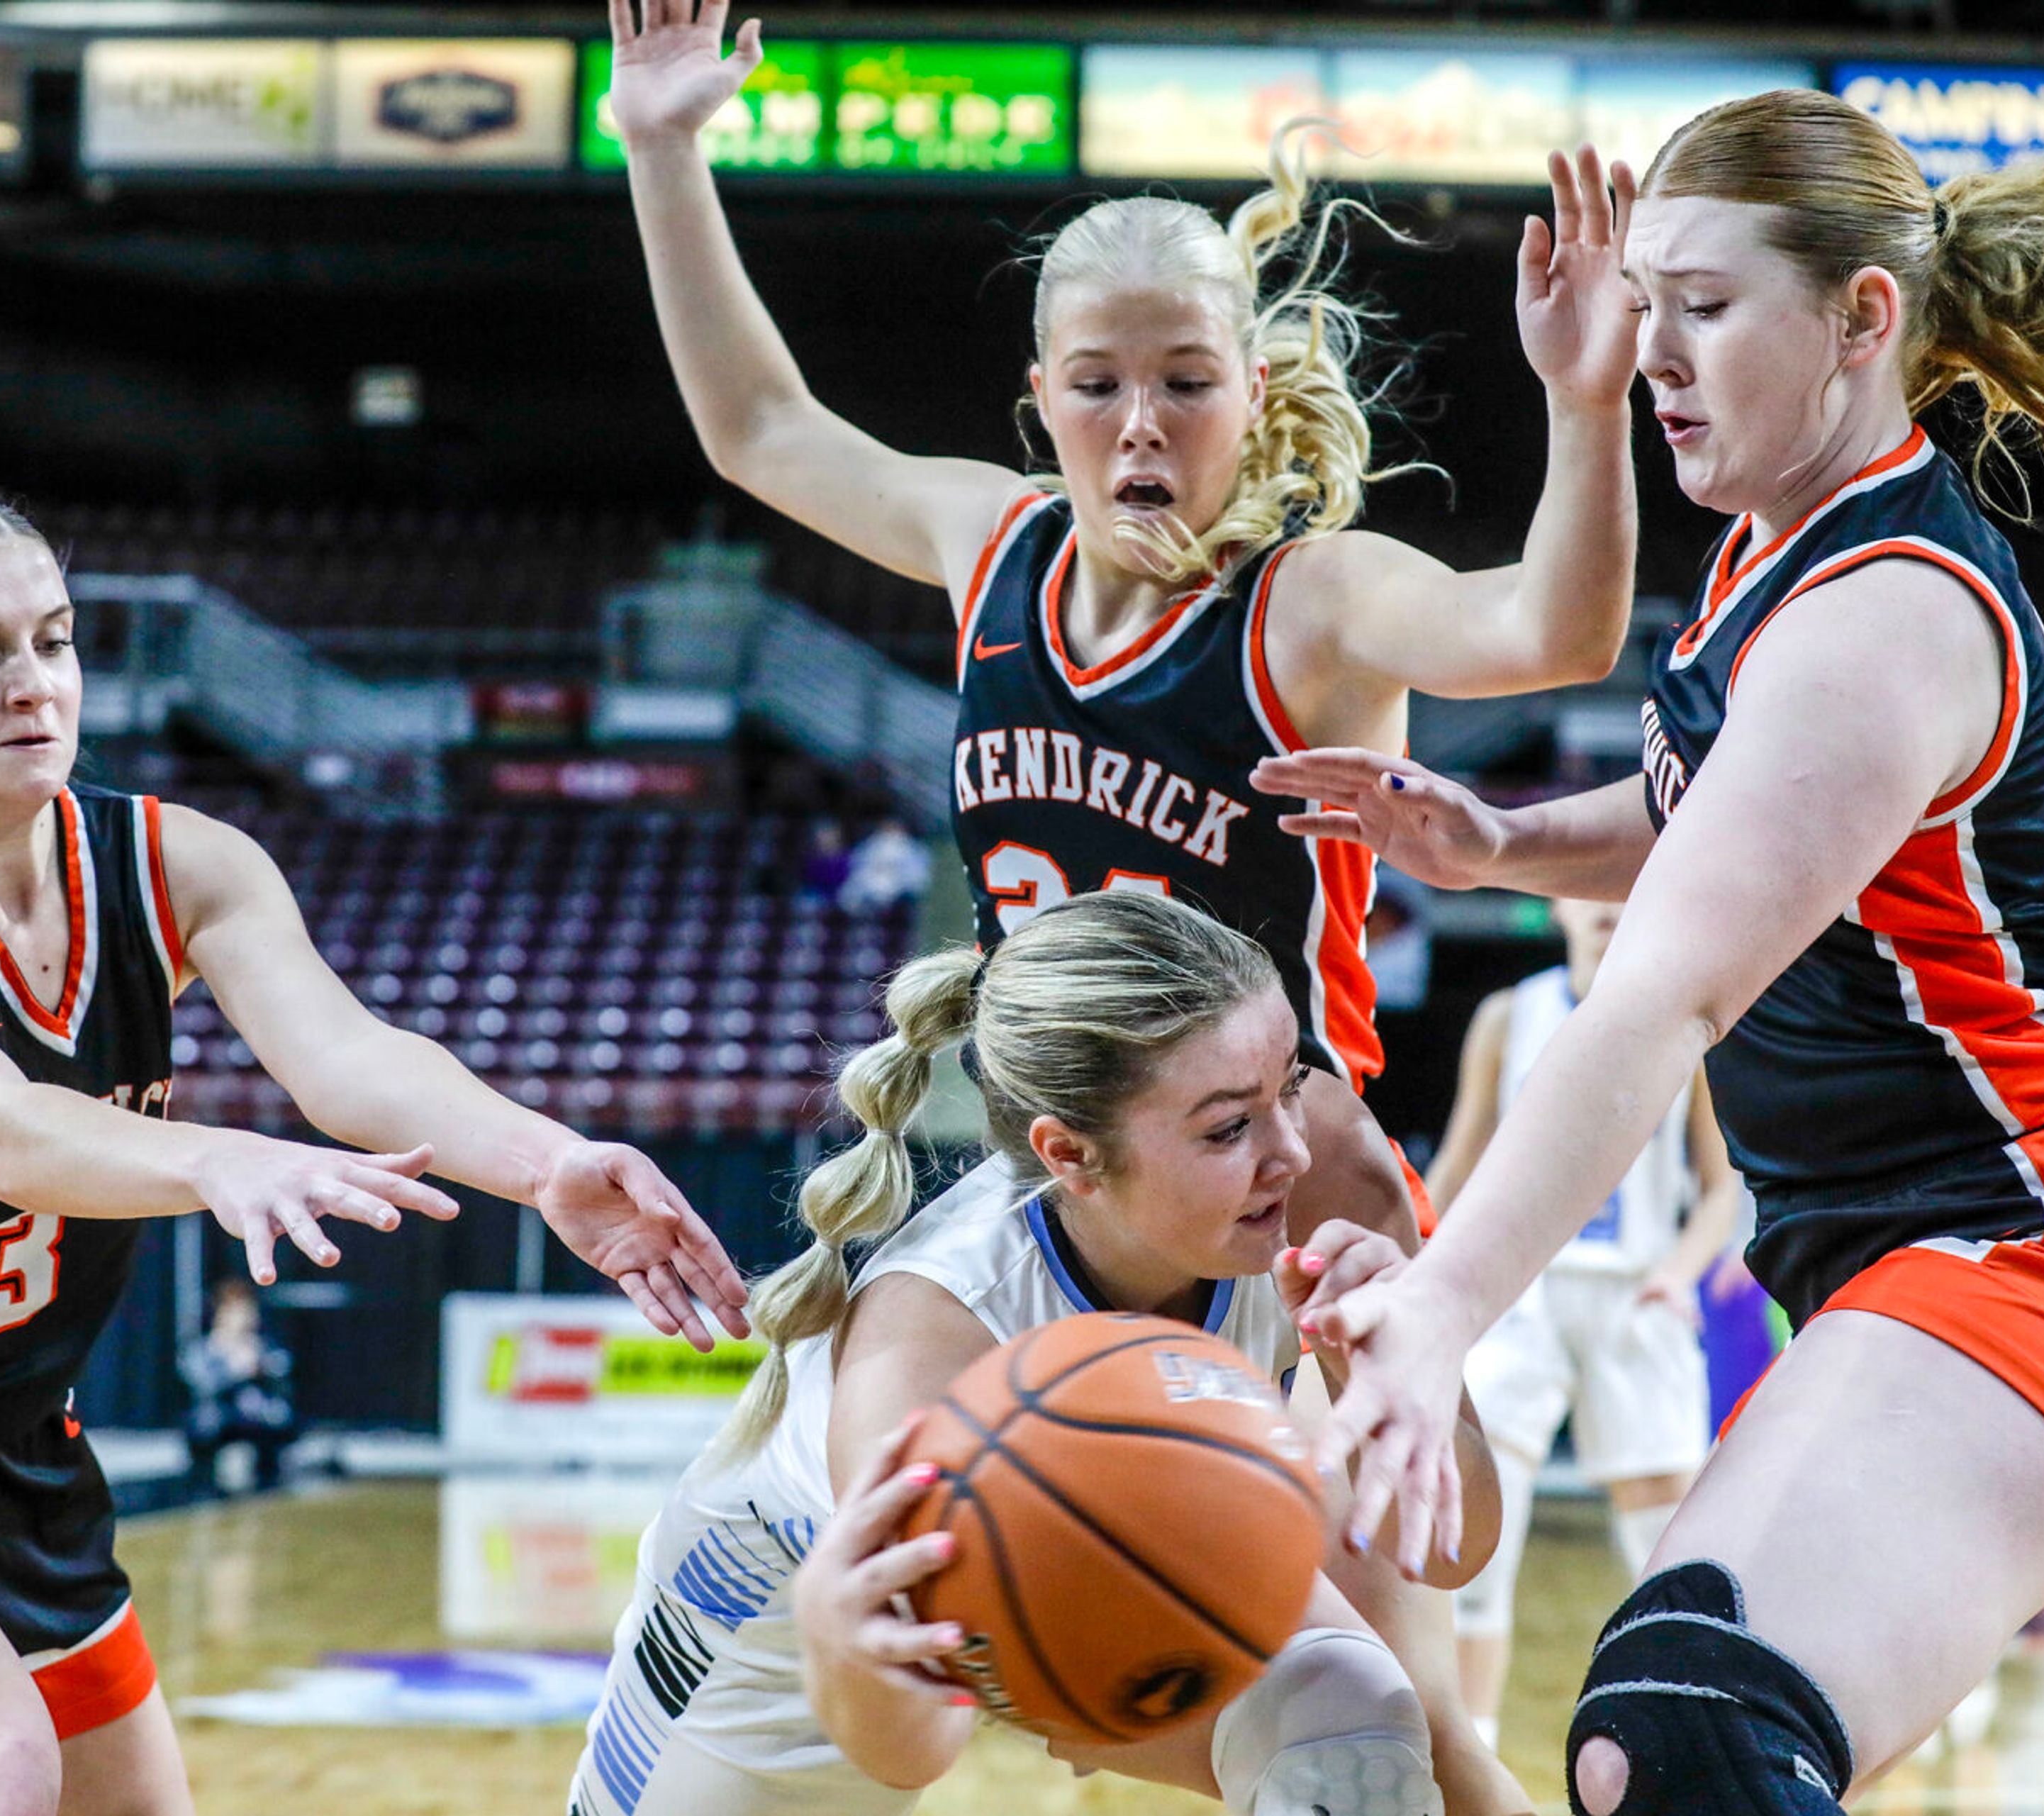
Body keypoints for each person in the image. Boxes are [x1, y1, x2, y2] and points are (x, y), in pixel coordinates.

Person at [608, 5, 1644, 1801]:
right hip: (1068, 1167)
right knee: (1064, 1632)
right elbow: (756, 421)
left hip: (1280, 1162)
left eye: (1185, 378)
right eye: (1098, 382)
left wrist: (1581, 403)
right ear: (1042, 406)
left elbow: (1551, 632)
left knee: (1386, 1692)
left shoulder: (1309, 606)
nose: (1141, 421)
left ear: (1254, 395)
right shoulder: (987, 544)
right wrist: (663, 148)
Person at [1263, 92, 2044, 1816]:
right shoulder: (1774, 553)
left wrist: (1438, 1302)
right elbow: (1725, 815)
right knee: (1663, 1740)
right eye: (1643, 305)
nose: (1651, 350)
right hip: (1905, 1256)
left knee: (1687, 1725)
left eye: (1700, 307)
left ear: (1860, 320)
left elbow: (1668, 984)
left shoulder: (1884, 608)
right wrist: (1505, 841)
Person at [0, 494, 752, 1816]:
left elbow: (349, 1057)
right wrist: (215, 1162)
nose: (33, 683)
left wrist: (545, 1162)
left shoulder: (177, 861)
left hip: (22, 1448)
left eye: (53, 641)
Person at [571, 889, 1501, 1816]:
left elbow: (1457, 1551)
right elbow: (917, 1742)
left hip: (1077, 1544)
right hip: (782, 1642)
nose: (1291, 1150)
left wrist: (1387, 1378)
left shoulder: (1306, 1182)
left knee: (1351, 1726)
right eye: (1228, 1127)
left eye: (1292, 1085)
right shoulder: (932, 1336)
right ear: (1071, 1155)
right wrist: (844, 1644)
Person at [1424, 899, 1745, 1743]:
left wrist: (1680, 1275)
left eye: (1627, 886)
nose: (1607, 903)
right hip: (1519, 1292)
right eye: (1589, 887)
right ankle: (1471, 1749)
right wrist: (1427, 1280)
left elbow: (1721, 1186)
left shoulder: (1684, 1013)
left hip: (1635, 1295)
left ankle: (1694, 1737)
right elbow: (1460, 1161)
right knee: (1476, 1544)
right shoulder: (1508, 1014)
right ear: (1558, 902)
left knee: (1666, 1550)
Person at [181, 1279, 299, 1495]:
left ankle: (270, 1479)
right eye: (237, 1311)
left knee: (280, 1418)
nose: (244, 1318)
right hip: (221, 1417)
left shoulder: (264, 1346)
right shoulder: (204, 1349)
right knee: (205, 1424)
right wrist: (235, 1370)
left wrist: (261, 1365)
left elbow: (285, 1374)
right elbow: (201, 1384)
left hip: (258, 1418)